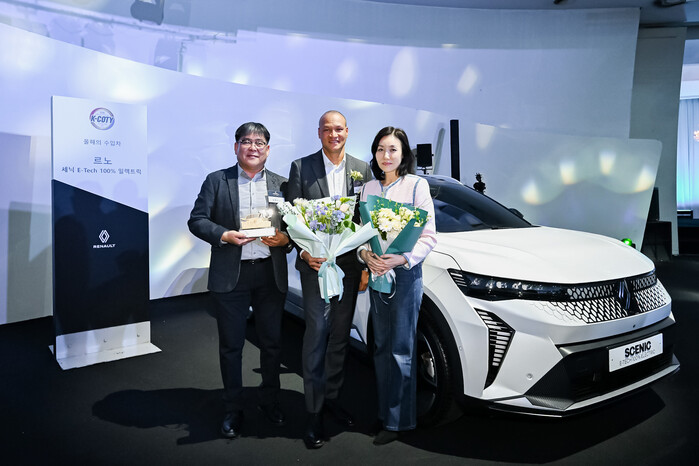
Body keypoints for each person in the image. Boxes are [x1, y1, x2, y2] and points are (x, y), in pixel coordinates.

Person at [188, 122, 293, 439]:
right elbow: (197, 220)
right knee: (231, 346)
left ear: (268, 149)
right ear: (236, 147)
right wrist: (224, 235)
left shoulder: (282, 184)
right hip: (231, 275)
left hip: (269, 273)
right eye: (246, 141)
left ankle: (270, 400)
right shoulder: (217, 180)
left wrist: (285, 239)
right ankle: (233, 407)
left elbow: (294, 227)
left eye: (259, 142)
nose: (253, 147)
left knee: (272, 344)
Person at [287, 110, 373, 449]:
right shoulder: (301, 167)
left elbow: (364, 219)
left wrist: (364, 265)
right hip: (315, 266)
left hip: (348, 267)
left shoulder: (362, 169)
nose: (333, 135)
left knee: (339, 337)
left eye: (339, 129)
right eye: (327, 129)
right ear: (319, 133)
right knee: (317, 335)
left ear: (347, 132)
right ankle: (313, 412)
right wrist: (304, 253)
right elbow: (292, 219)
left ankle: (332, 398)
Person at [358, 126, 437, 446]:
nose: (386, 155)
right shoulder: (368, 188)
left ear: (403, 154)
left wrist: (401, 258)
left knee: (401, 349)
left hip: (405, 275)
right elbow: (362, 234)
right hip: (377, 273)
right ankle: (385, 412)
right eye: (380, 149)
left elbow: (429, 236)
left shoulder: (416, 185)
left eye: (392, 149)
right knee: (380, 348)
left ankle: (400, 421)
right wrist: (366, 255)